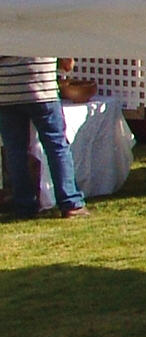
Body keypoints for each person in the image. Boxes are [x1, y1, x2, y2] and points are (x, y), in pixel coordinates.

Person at [0, 56, 87, 219]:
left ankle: (24, 206)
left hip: (6, 90)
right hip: (41, 87)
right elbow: (67, 64)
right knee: (56, 147)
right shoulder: (47, 29)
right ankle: (70, 203)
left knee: (15, 152)